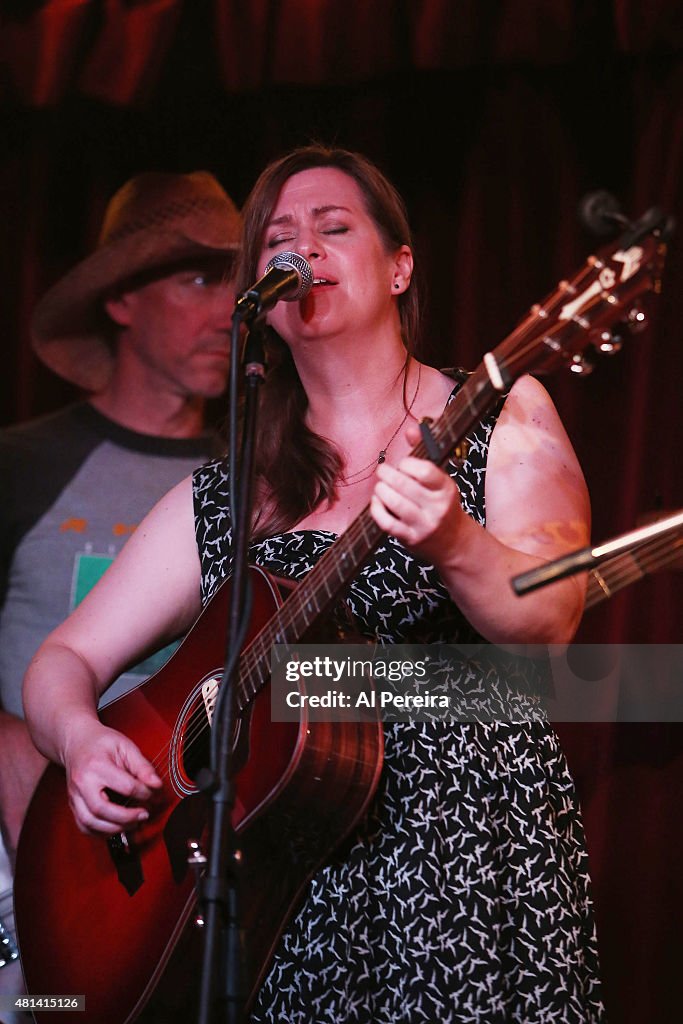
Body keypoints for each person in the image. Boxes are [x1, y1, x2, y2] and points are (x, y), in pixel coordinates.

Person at [22, 146, 604, 1023]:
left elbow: (550, 624)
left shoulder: (498, 415)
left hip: (463, 860)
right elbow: (62, 656)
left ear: (400, 265)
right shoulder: (224, 494)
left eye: (334, 228)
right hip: (282, 897)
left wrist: (453, 539)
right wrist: (77, 740)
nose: (306, 249)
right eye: (279, 239)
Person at [0, 170, 240, 897]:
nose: (234, 310)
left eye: (240, 283)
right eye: (201, 280)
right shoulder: (21, 464)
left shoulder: (260, 477)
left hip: (192, 869)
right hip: (25, 863)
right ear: (120, 299)